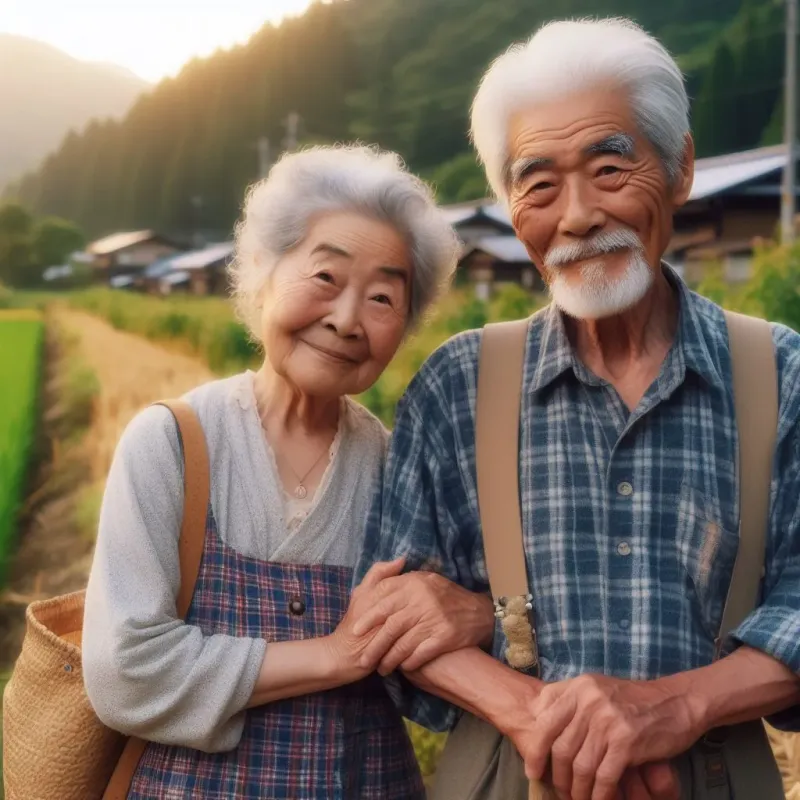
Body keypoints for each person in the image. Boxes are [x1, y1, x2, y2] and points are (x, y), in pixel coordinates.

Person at [353, 18, 800, 800]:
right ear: (509, 207)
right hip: (508, 773)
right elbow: (392, 616)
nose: (578, 214)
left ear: (681, 168)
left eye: (609, 167)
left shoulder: (780, 374)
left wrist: (674, 707)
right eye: (539, 184)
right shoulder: (458, 385)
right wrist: (528, 712)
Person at [81, 144, 488, 799]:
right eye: (326, 277)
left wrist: (478, 614)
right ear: (262, 272)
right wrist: (334, 654)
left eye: (382, 297)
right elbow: (124, 673)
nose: (347, 319)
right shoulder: (172, 444)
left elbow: (433, 676)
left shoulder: (396, 468)